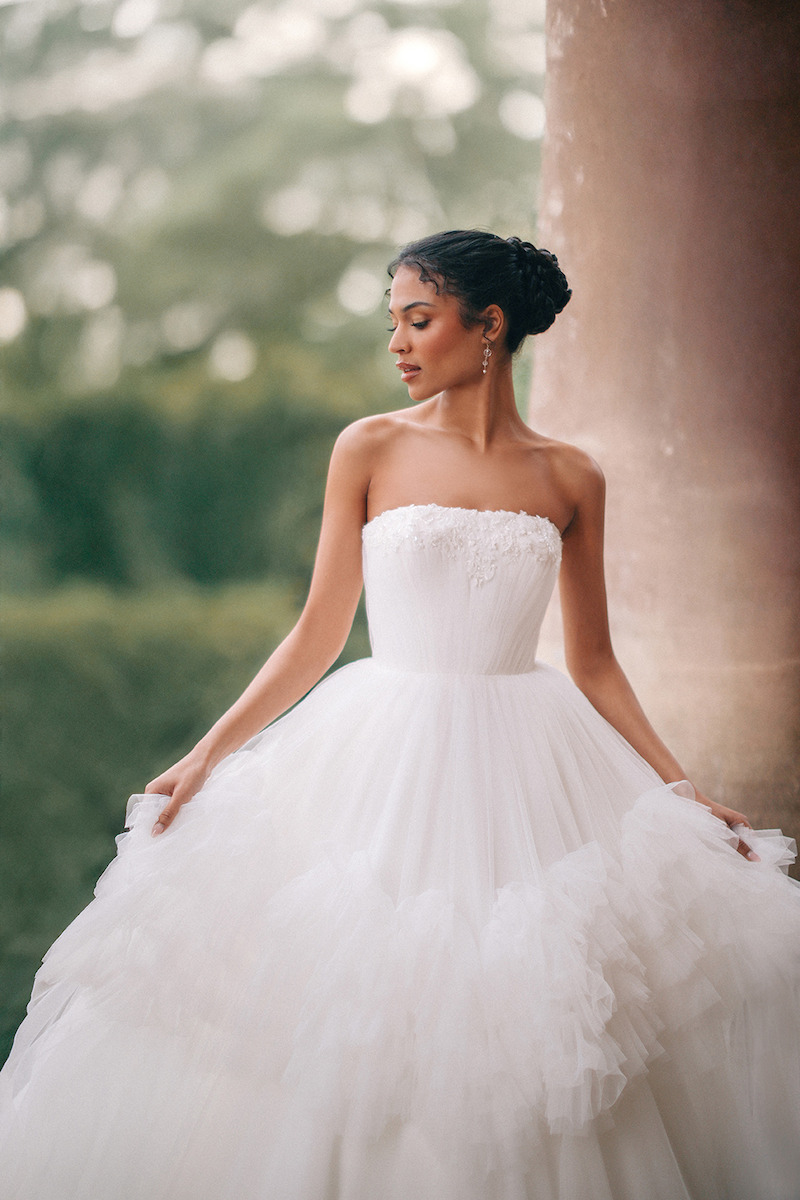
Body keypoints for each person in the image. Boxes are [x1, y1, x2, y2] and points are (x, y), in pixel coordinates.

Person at [0, 230, 798, 1200]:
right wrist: (206, 755)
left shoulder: (569, 477)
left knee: (541, 1019)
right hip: (378, 753)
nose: (398, 343)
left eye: (417, 320)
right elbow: (317, 632)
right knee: (353, 1009)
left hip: (529, 769)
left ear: (488, 325)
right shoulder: (368, 446)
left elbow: (591, 662)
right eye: (393, 324)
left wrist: (681, 793)